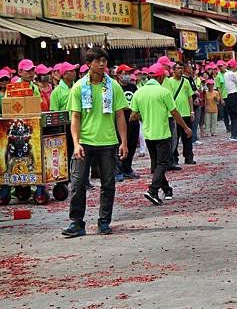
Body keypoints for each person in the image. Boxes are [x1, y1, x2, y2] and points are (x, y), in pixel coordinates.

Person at [61, 47, 129, 238]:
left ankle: (104, 221)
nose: (102, 64)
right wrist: (76, 143)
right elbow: (75, 117)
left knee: (108, 183)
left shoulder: (114, 86)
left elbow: (120, 116)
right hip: (85, 142)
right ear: (88, 64)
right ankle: (76, 222)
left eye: (104, 61)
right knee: (77, 183)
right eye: (98, 61)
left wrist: (124, 142)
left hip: (108, 142)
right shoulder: (78, 87)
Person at [130, 64, 192, 205]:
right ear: (161, 76)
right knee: (163, 163)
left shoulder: (139, 92)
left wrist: (145, 114)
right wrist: (186, 127)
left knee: (157, 164)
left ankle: (166, 189)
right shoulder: (163, 92)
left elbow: (133, 116)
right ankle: (152, 191)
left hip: (148, 135)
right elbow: (174, 112)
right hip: (163, 134)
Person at [165, 62, 195, 165]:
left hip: (186, 113)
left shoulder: (186, 81)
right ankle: (174, 158)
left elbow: (190, 97)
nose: (180, 70)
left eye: (181, 68)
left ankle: (189, 157)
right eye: (178, 68)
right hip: (174, 115)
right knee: (174, 138)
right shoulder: (168, 82)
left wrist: (192, 111)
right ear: (173, 70)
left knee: (188, 136)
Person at [114, 64, 140, 180]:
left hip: (133, 120)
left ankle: (128, 169)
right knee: (121, 145)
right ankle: (119, 170)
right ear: (118, 75)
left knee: (132, 144)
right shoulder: (116, 88)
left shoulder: (133, 87)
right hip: (121, 120)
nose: (128, 76)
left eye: (129, 73)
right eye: (125, 73)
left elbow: (138, 100)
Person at [224, 59, 237, 142]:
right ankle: (236, 135)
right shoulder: (231, 74)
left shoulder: (226, 74)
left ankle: (233, 134)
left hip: (229, 96)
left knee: (233, 116)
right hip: (233, 95)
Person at [214, 60, 230, 132]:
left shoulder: (229, 73)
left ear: (225, 65)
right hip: (224, 96)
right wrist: (221, 99)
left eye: (221, 66)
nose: (221, 67)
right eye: (219, 66)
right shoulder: (218, 76)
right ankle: (227, 127)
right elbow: (219, 88)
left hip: (231, 94)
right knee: (225, 113)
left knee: (232, 112)